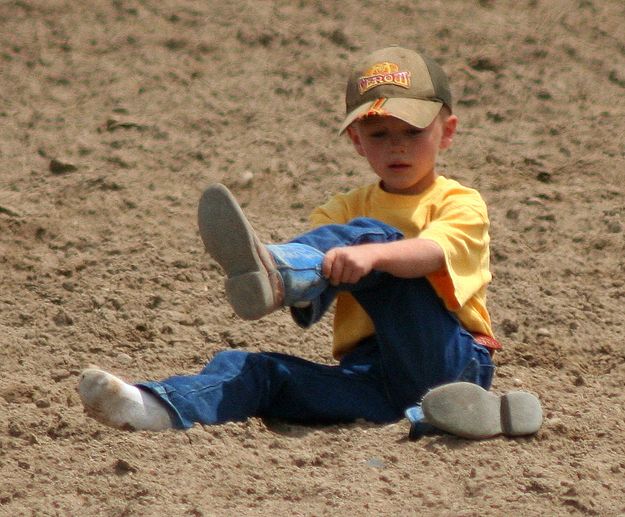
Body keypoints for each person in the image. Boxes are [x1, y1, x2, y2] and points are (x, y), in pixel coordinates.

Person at [78, 46, 542, 439]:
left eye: (412, 132)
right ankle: (155, 406)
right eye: (380, 134)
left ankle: (283, 270)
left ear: (448, 133)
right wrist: (336, 268)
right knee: (256, 371)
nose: (397, 146)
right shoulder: (337, 211)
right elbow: (322, 299)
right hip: (371, 379)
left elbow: (432, 253)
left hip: (447, 354)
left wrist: (371, 255)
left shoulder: (460, 202)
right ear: (357, 141)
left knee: (377, 240)